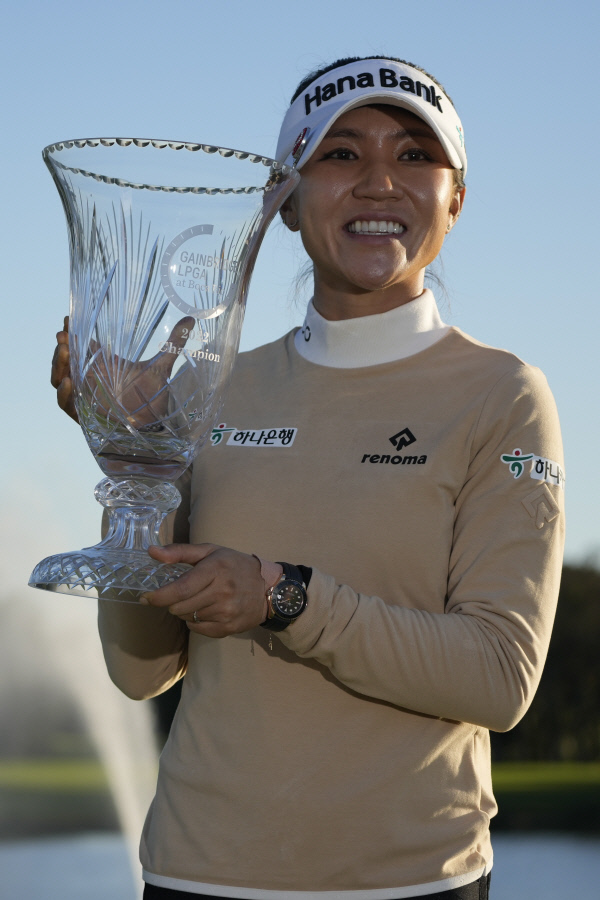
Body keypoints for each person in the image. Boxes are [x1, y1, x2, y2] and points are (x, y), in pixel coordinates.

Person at [51, 56, 565, 900]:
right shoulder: (211, 385)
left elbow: (499, 676)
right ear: (284, 203)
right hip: (197, 873)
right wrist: (139, 459)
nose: (378, 181)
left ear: (456, 201)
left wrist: (282, 595)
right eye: (339, 153)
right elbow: (141, 669)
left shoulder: (503, 394)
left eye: (414, 155)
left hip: (411, 882)